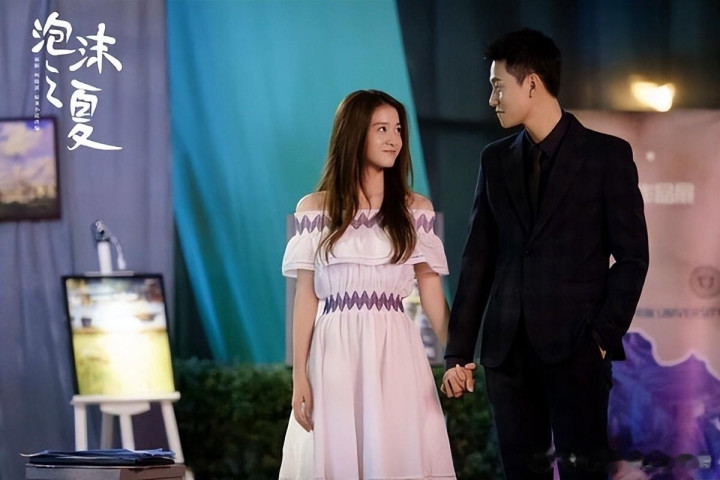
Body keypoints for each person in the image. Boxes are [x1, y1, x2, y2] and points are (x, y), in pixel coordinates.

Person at [441, 29, 649, 480]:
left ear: (532, 83)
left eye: (498, 86)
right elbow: (478, 260)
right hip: (507, 355)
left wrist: (599, 337)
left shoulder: (607, 156)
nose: (491, 99)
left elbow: (633, 258)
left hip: (578, 351)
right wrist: (458, 352)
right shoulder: (494, 160)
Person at [278, 89, 456, 480]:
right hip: (333, 354)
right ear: (355, 133)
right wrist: (299, 376)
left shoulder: (415, 209)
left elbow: (431, 293)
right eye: (382, 129)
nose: (394, 139)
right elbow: (306, 297)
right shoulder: (315, 208)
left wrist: (457, 355)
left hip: (396, 352)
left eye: (398, 129)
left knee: (396, 456)